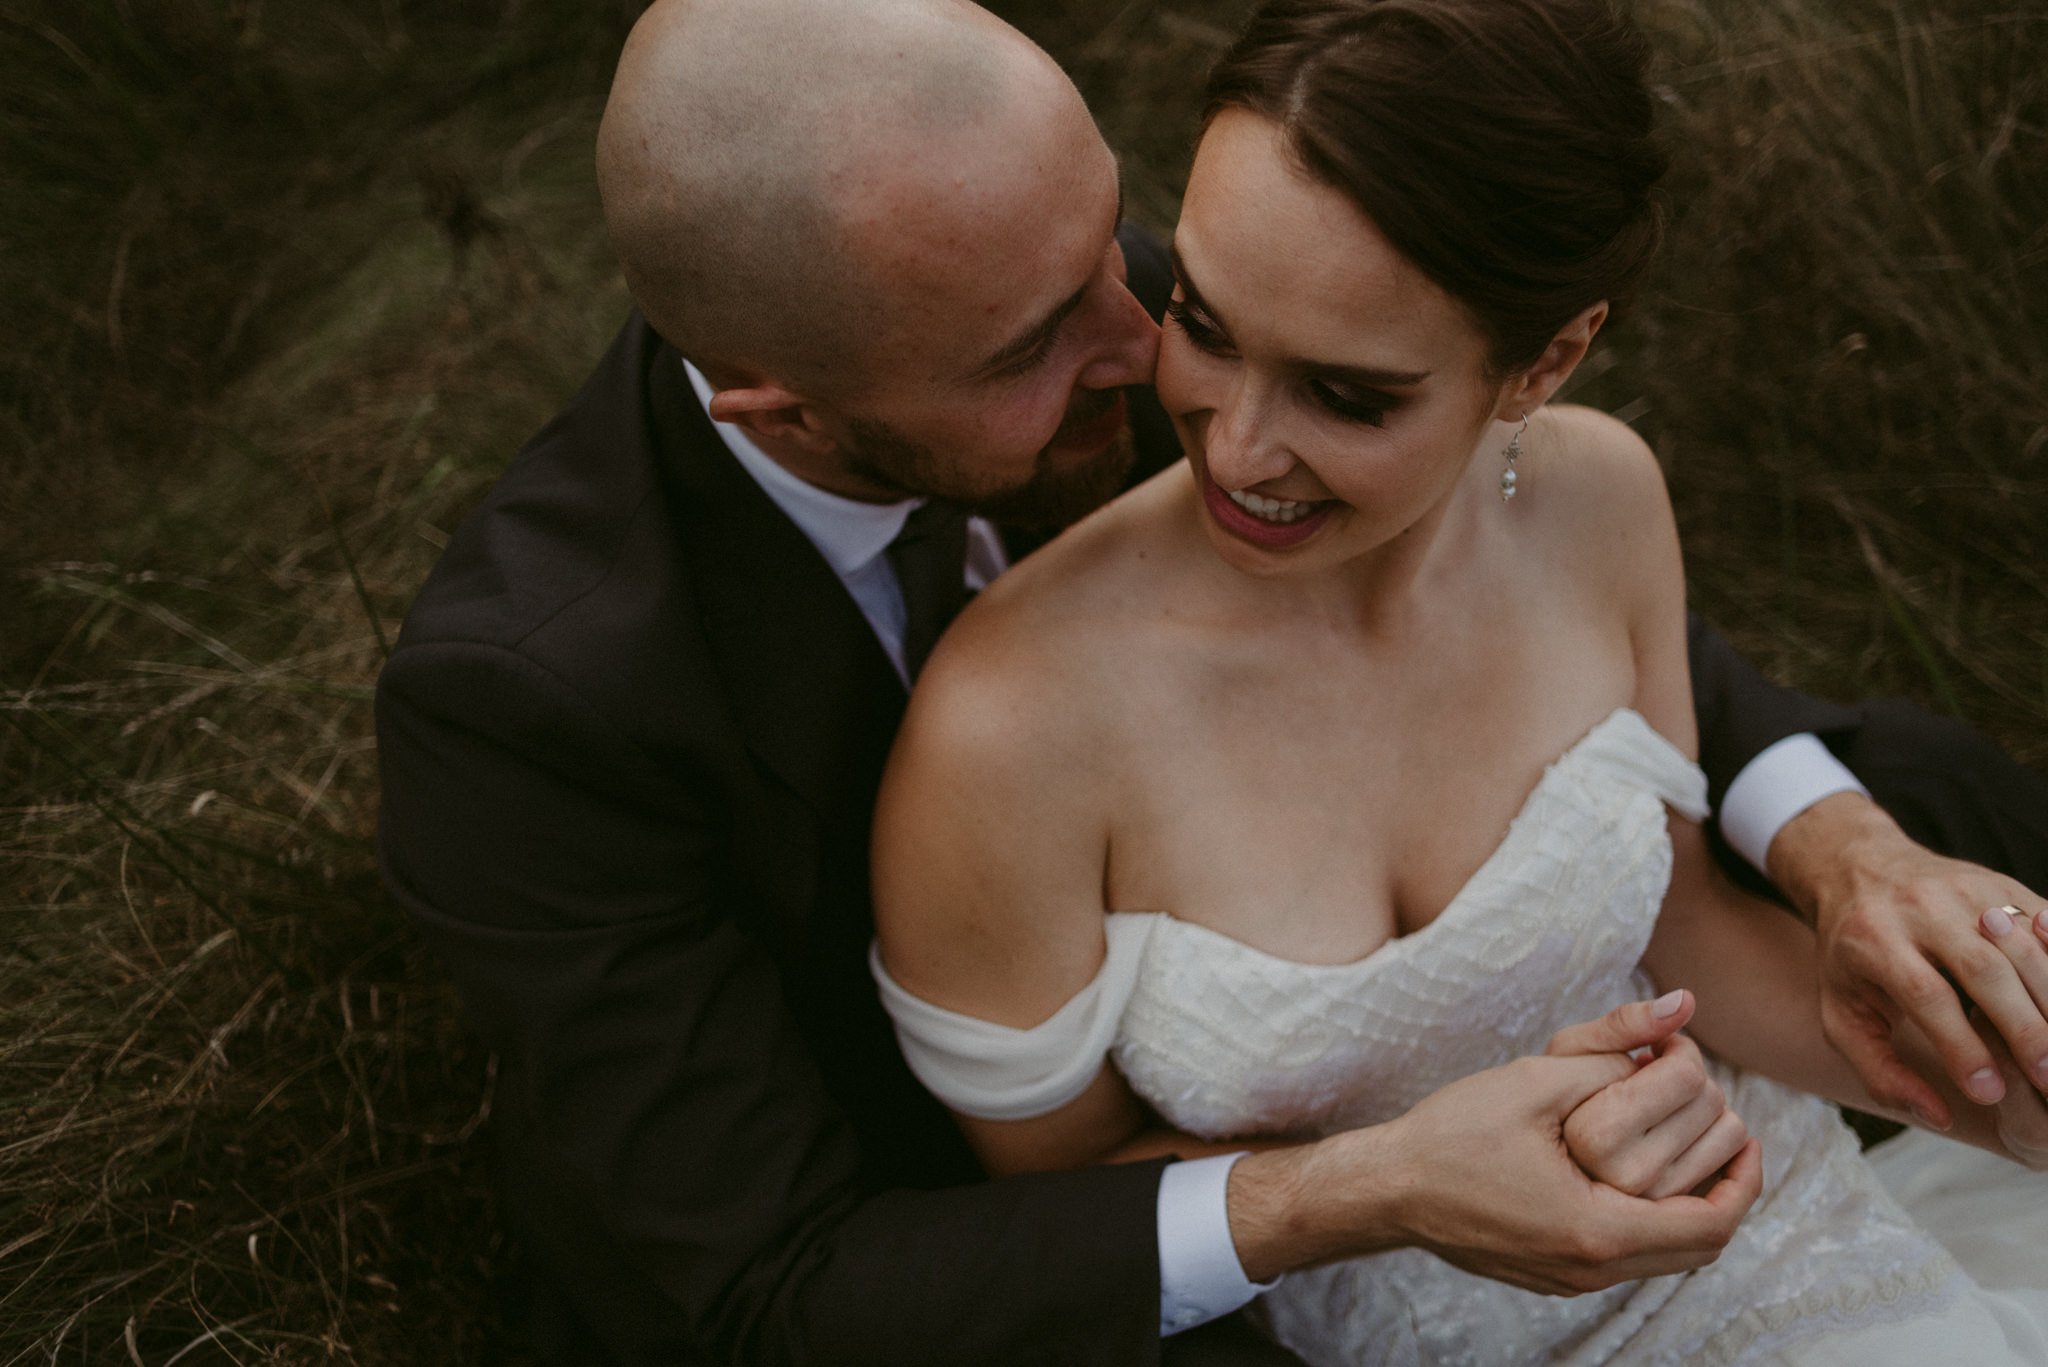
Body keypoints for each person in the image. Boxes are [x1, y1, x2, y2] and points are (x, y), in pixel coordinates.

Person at [374, 0, 2048, 1362]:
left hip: (1576, 1078)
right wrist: (1372, 1188)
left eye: (1135, 262)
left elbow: (1553, 610)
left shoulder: (1168, 295)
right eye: (1040, 349)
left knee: (1934, 802)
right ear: (785, 408)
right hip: (956, 1210)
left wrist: (1846, 854)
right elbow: (774, 1279)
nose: (1155, 361)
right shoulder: (536, 704)